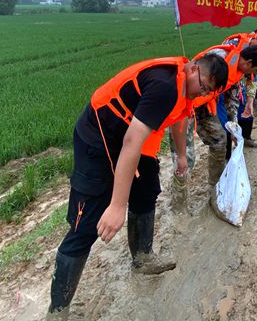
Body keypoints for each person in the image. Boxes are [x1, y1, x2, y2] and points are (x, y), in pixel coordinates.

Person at [46, 53, 229, 319]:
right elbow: (131, 142)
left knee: (146, 188)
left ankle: (143, 257)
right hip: (99, 135)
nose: (202, 93)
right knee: (86, 223)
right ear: (192, 69)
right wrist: (117, 206)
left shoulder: (186, 87)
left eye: (207, 92)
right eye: (203, 86)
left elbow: (179, 119)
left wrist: (181, 155)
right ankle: (58, 311)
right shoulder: (165, 87)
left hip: (130, 134)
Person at [189, 44, 257, 203]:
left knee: (220, 140)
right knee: (186, 156)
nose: (254, 73)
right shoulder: (221, 58)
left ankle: (216, 185)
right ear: (249, 63)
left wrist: (234, 126)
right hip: (187, 102)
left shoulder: (238, 71)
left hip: (205, 103)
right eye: (256, 69)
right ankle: (179, 202)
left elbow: (232, 99)